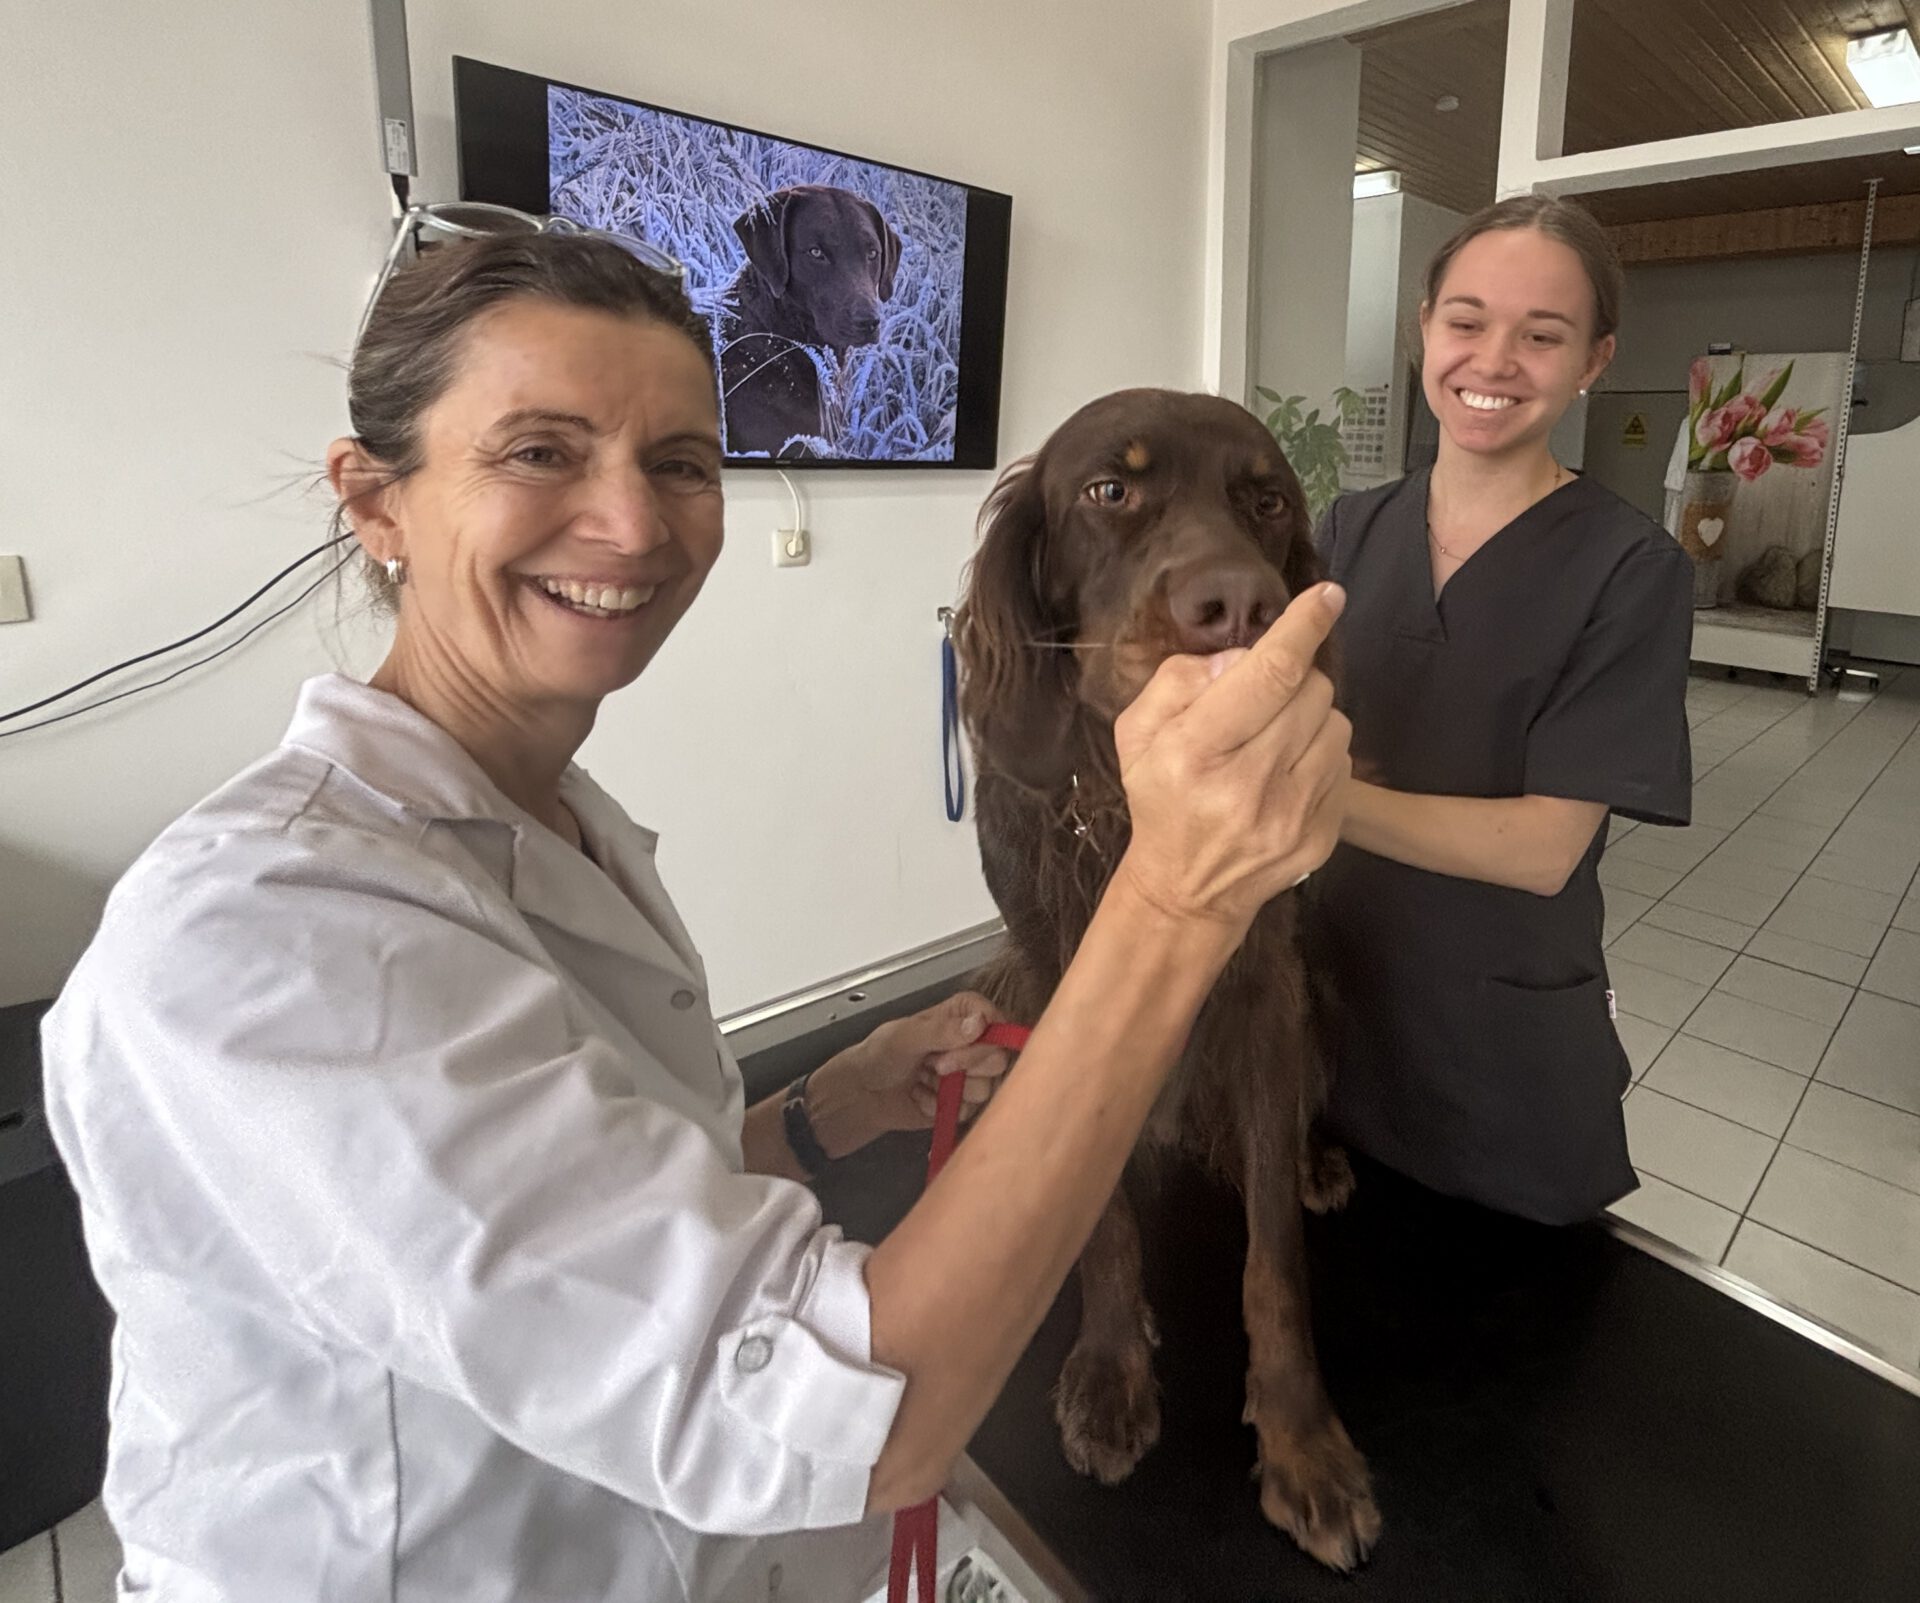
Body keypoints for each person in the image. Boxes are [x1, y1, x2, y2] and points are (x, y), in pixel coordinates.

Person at [39, 227, 1352, 1602]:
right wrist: (1180, 896)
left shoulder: (565, 824)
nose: (634, 521)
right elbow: (856, 1423)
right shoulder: (259, 934)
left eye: (680, 462)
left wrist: (820, 1110)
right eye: (540, 451)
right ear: (376, 501)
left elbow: (560, 1210)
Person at [1313, 195, 1693, 1229]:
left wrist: (1318, 800)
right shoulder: (1347, 529)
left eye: (1543, 335)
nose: (1495, 360)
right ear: (1424, 330)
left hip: (1496, 1043)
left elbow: (1541, 848)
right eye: (1467, 321)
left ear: (1594, 361)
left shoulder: (1630, 568)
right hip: (1327, 1008)